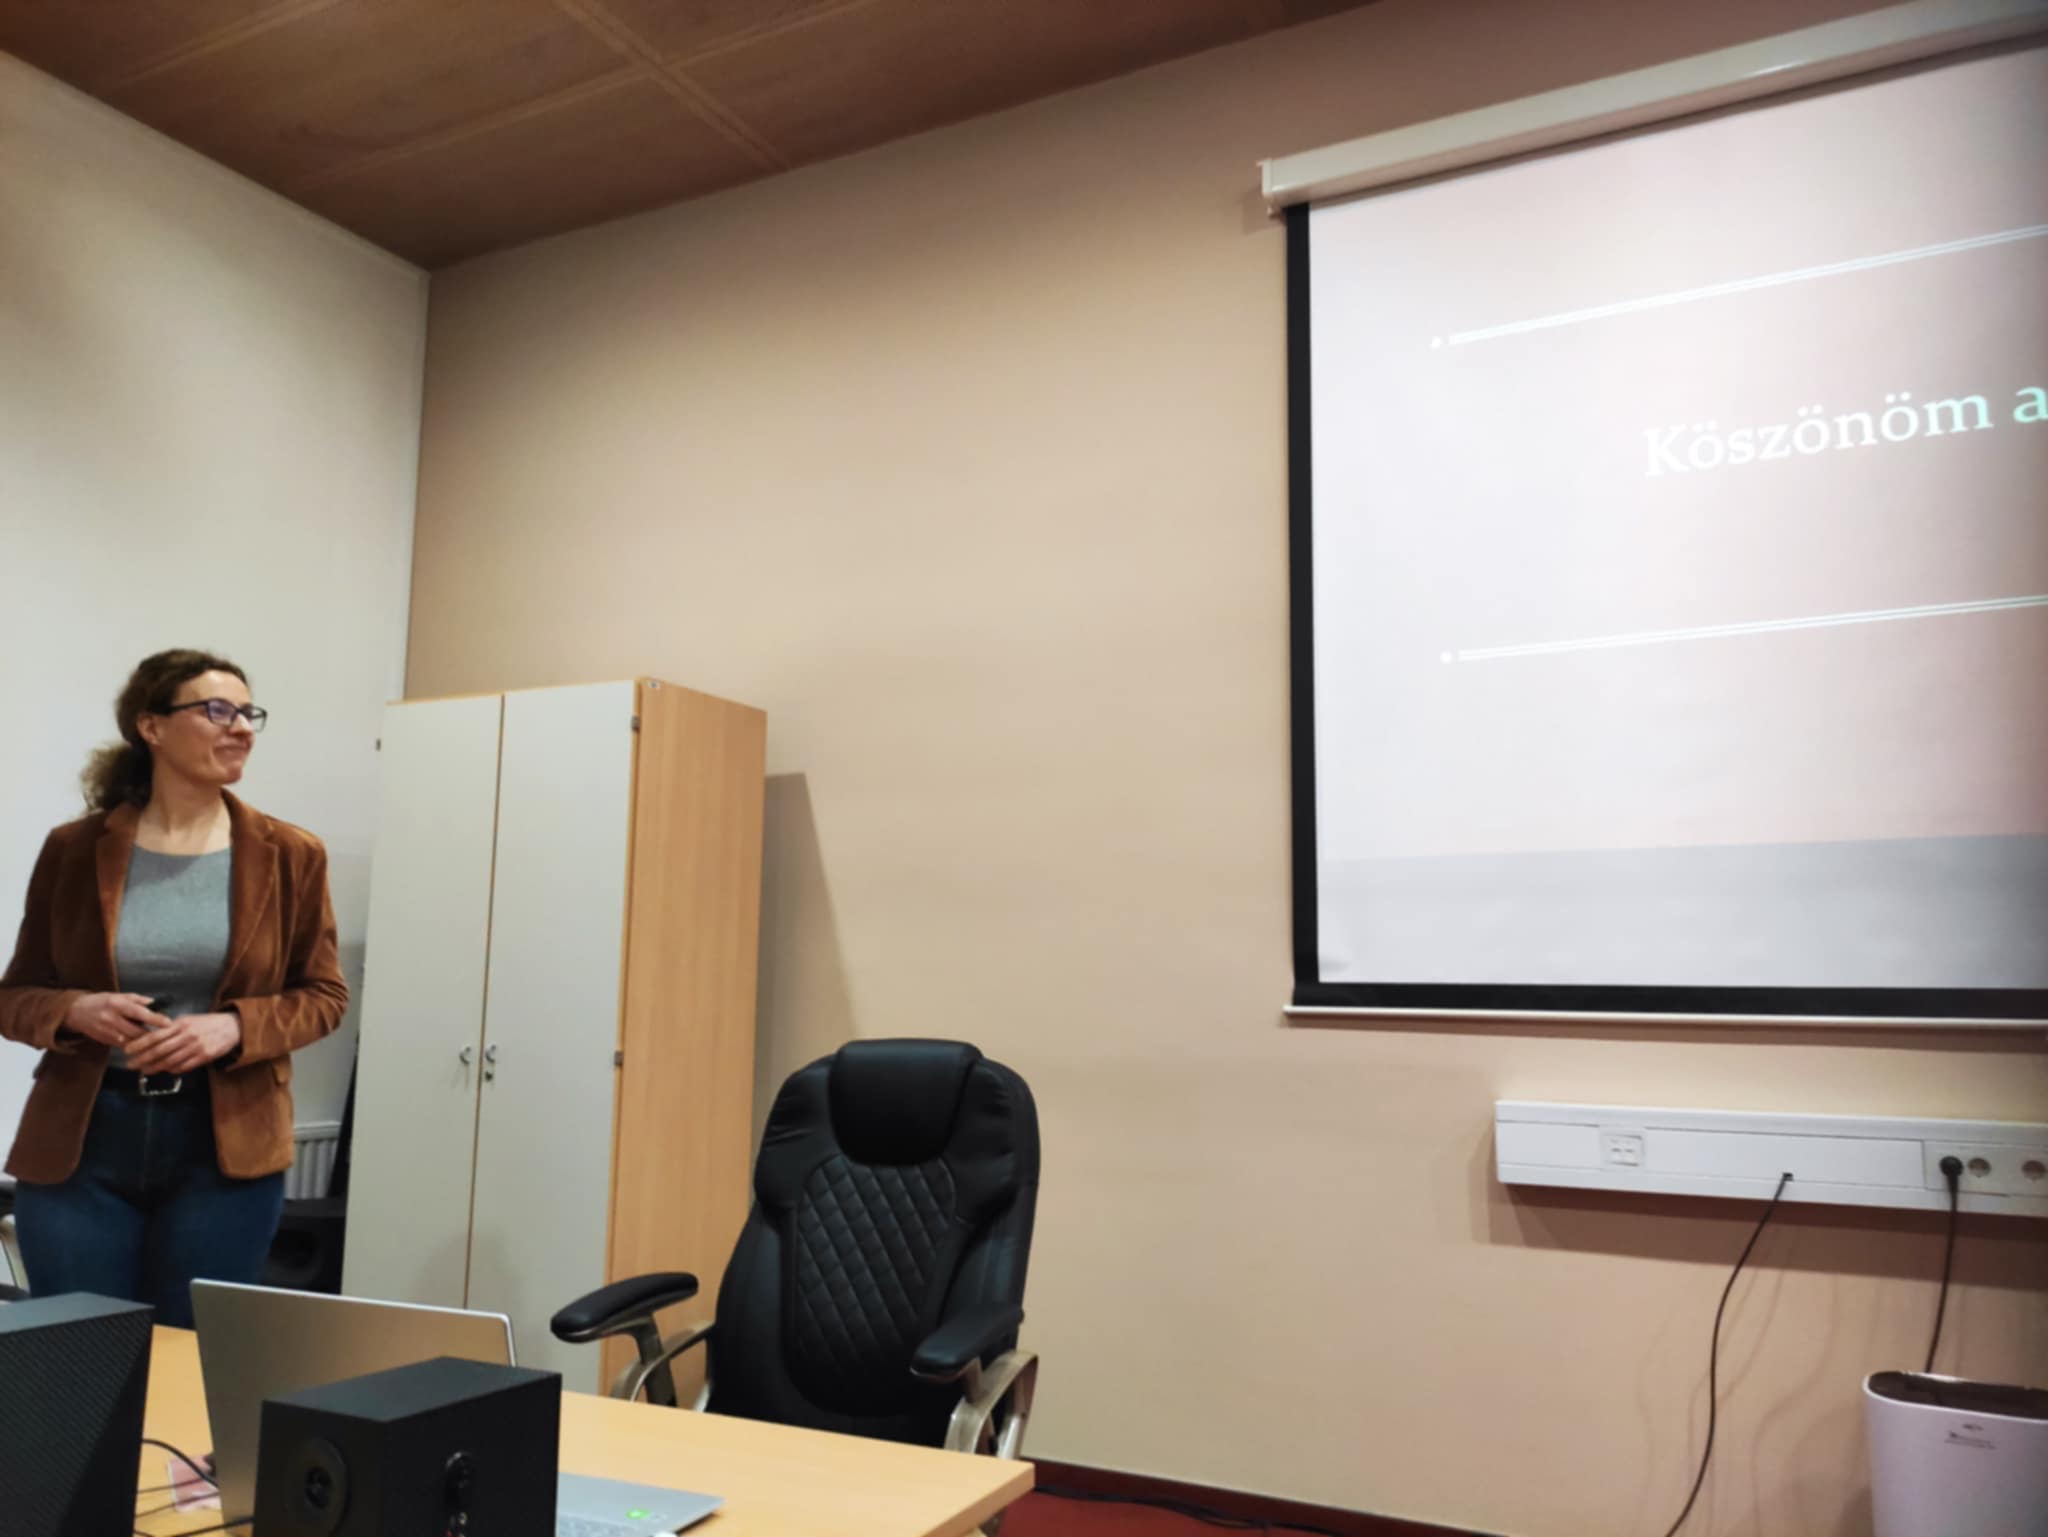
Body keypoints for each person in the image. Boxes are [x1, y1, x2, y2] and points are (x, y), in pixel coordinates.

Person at [0, 649, 347, 1325]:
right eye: (216, 710)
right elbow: (14, 997)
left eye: (248, 713)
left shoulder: (290, 853)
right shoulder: (74, 849)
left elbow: (324, 995)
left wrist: (235, 1026)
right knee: (79, 1354)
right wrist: (74, 1008)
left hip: (224, 1149)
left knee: (191, 1355)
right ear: (151, 726)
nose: (240, 726)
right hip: (83, 1143)